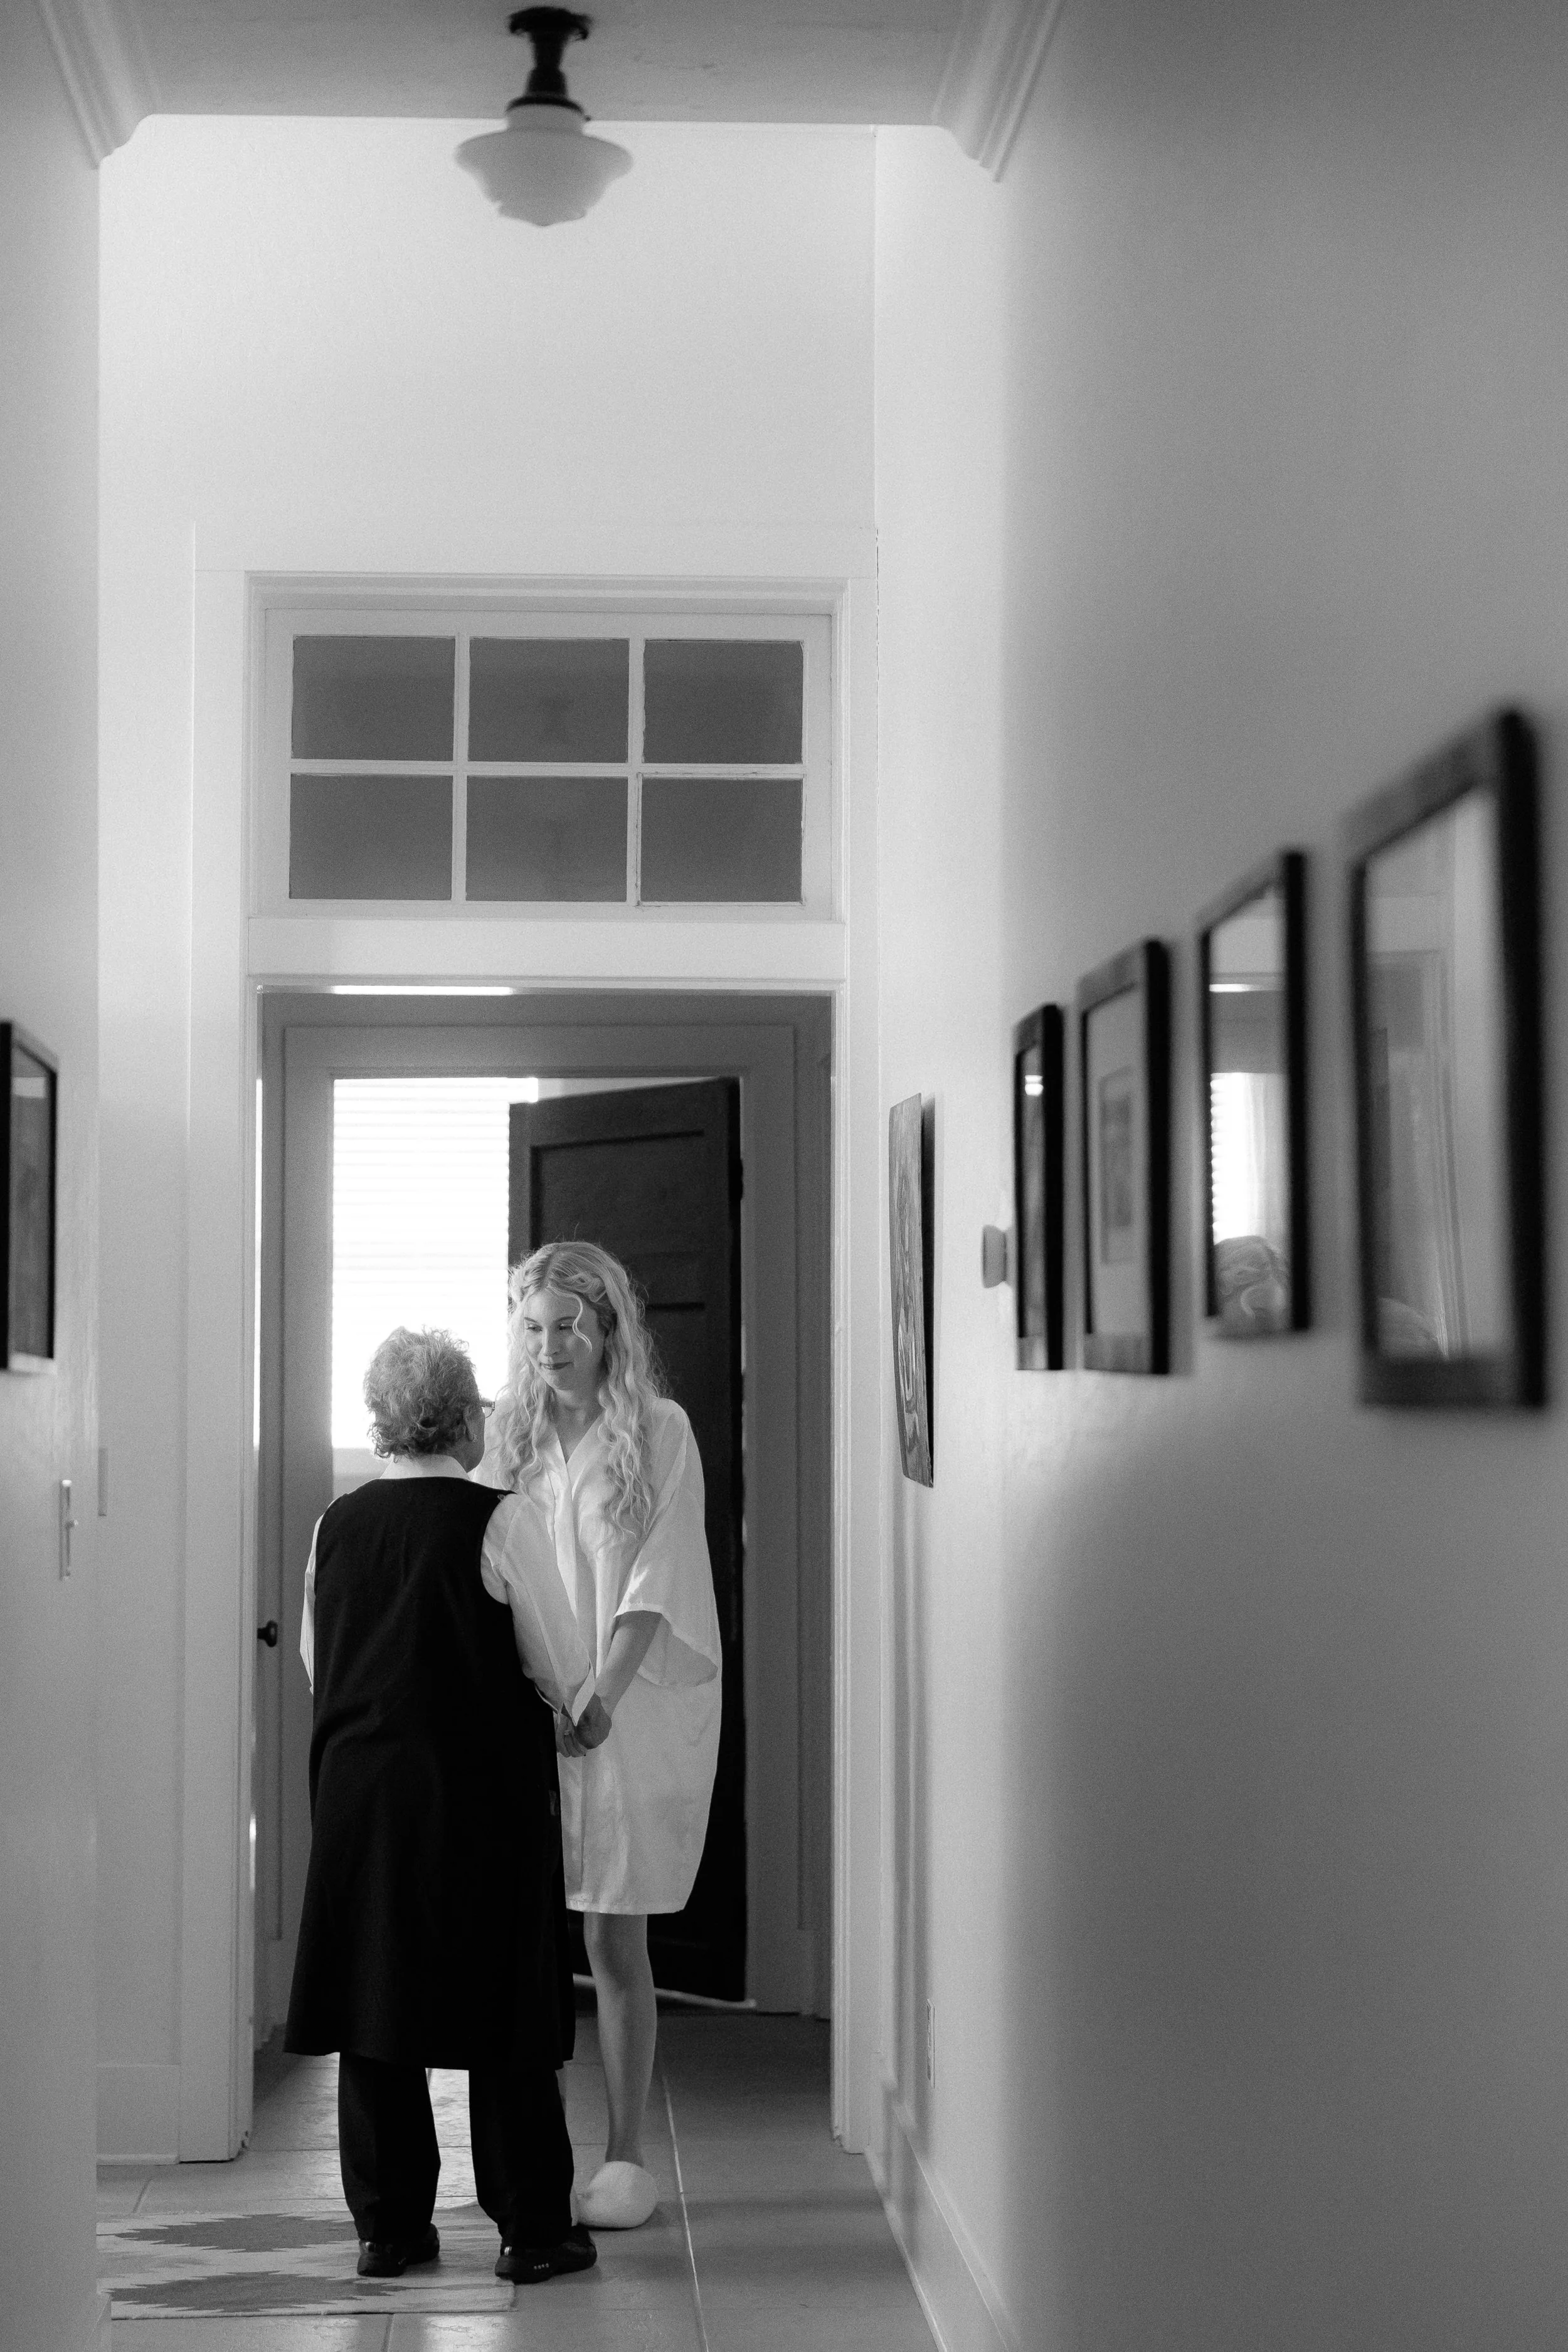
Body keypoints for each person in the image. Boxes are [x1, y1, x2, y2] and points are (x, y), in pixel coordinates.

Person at [283, 1325, 603, 2284]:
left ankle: (389, 2227)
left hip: (360, 1795)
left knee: (376, 2000)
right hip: (477, 1798)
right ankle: (531, 2227)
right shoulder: (500, 1522)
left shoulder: (335, 1524)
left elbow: (316, 1657)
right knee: (504, 2001)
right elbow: (560, 1661)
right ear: (465, 1415)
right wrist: (579, 1719)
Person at [480, 1241, 722, 2232]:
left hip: (626, 1716)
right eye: (533, 1328)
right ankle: (530, 2157)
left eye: (569, 1326)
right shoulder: (511, 1439)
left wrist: (601, 1699)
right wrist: (547, 1695)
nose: (550, 1346)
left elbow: (656, 1580)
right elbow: (484, 1560)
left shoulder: (660, 1431)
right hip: (530, 1711)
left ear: (607, 1329)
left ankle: (625, 2156)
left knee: (614, 1934)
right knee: (524, 1938)